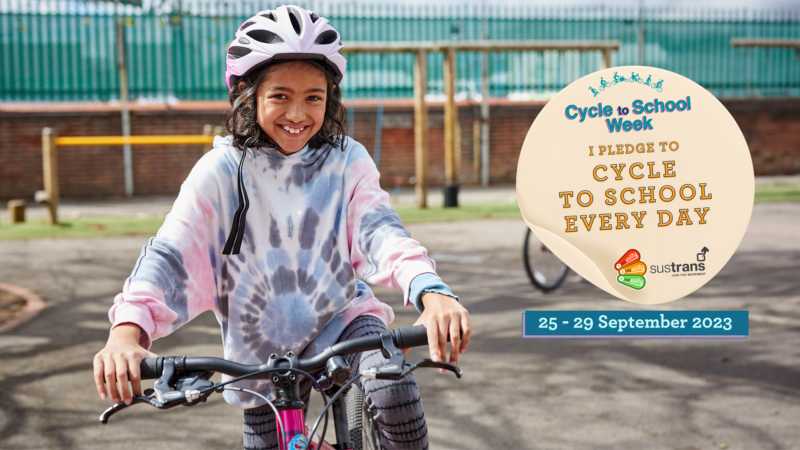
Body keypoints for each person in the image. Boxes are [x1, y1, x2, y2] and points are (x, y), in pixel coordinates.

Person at [92, 5, 470, 450]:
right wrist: (126, 333)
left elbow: (379, 229)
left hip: (344, 323)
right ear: (248, 96)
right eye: (280, 96)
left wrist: (432, 291)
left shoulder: (346, 159)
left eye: (314, 96)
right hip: (257, 351)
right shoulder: (220, 170)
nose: (298, 113)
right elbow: (171, 254)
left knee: (393, 390)